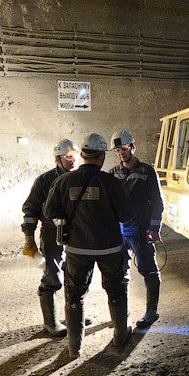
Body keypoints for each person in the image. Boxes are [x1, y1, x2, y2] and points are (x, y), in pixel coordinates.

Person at [43, 133, 134, 358]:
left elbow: (49, 212)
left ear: (82, 155)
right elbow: (126, 216)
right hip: (110, 249)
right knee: (116, 289)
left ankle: (75, 348)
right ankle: (121, 337)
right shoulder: (111, 182)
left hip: (77, 250)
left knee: (74, 296)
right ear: (101, 157)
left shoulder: (63, 182)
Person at [21, 138, 79, 337]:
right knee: (53, 276)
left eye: (75, 156)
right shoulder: (44, 181)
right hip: (51, 234)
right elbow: (31, 210)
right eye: (68, 157)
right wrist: (29, 238)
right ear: (57, 159)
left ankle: (73, 313)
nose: (73, 161)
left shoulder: (79, 178)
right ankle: (51, 322)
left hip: (75, 234)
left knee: (75, 275)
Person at [109, 129, 165, 329]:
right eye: (117, 151)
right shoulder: (113, 173)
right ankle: (121, 312)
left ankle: (152, 311)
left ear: (133, 147)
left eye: (123, 149)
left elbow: (157, 202)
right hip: (121, 231)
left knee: (149, 270)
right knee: (119, 272)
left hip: (141, 231)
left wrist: (154, 227)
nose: (120, 154)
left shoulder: (146, 171)